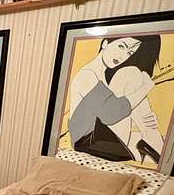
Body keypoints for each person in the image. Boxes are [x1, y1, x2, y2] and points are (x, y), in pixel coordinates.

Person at [68, 35, 163, 163]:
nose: (123, 56)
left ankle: (152, 141)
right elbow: (110, 115)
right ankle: (153, 142)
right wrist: (145, 88)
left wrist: (145, 119)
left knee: (130, 74)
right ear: (105, 43)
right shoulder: (87, 75)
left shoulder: (101, 75)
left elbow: (112, 113)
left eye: (129, 53)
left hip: (98, 135)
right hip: (88, 142)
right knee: (130, 73)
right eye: (121, 46)